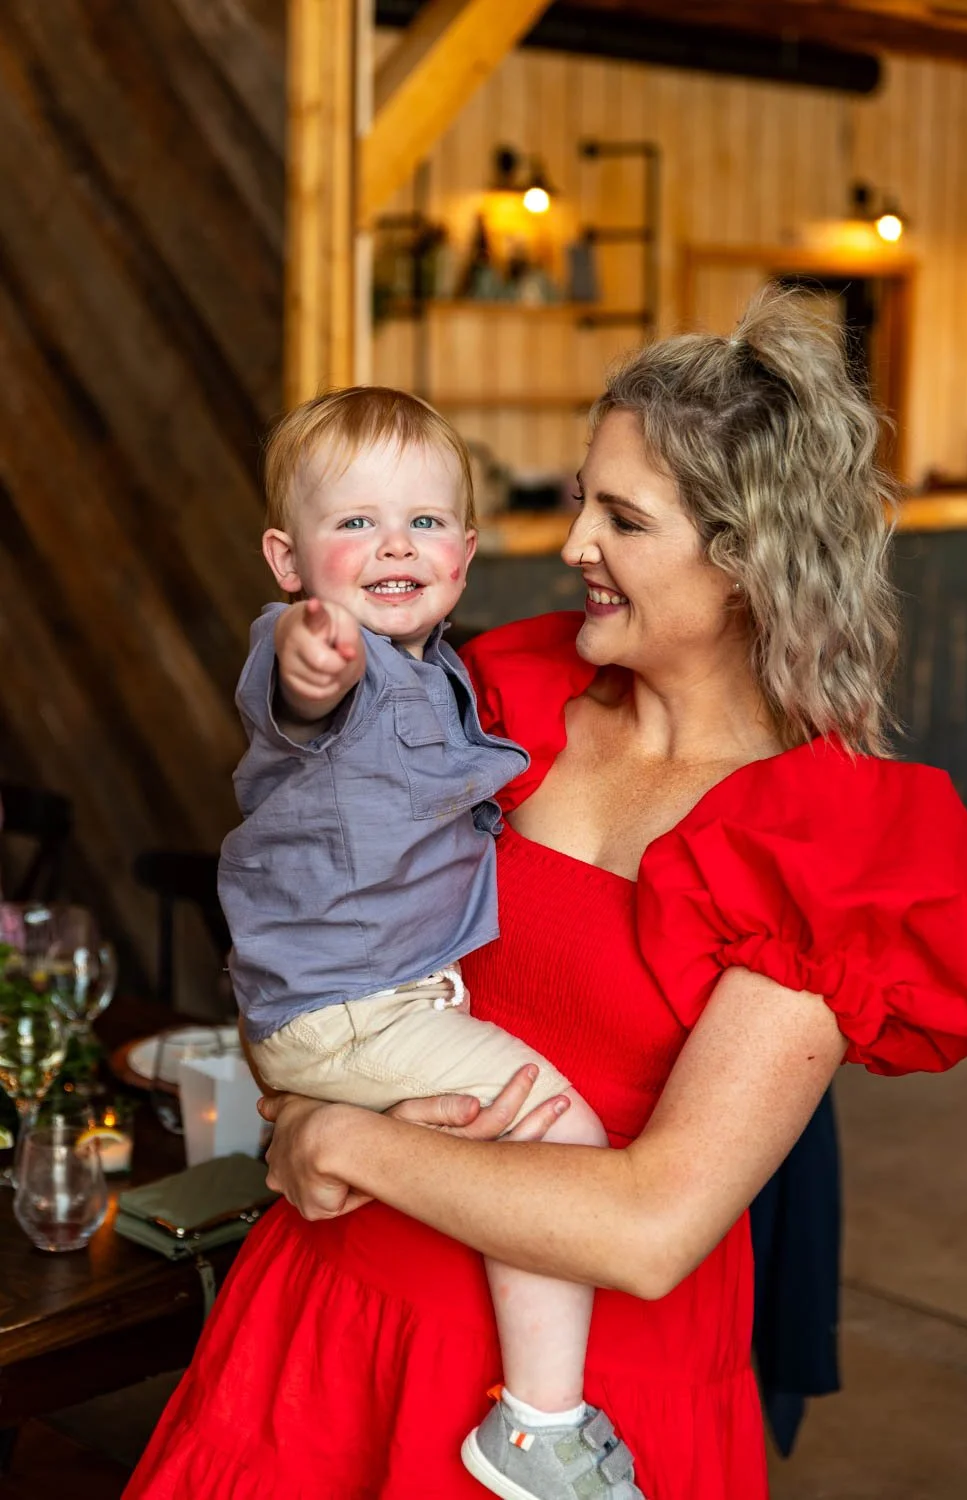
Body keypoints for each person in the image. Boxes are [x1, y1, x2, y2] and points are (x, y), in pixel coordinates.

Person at [124, 290, 967, 1500]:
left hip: (582, 1396)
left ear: (747, 560)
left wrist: (342, 1138)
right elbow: (317, 915)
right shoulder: (497, 696)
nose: (572, 540)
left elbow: (647, 1230)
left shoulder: (826, 843)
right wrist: (290, 1106)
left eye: (621, 517)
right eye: (583, 496)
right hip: (339, 1318)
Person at [217, 385, 636, 1500]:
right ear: (288, 560)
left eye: (422, 521)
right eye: (352, 524)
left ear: (465, 548)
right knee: (559, 1136)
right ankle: (540, 1429)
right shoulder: (321, 650)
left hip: (364, 1006)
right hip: (358, 1006)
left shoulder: (446, 664)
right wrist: (316, 663)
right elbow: (297, 694)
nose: (390, 543)